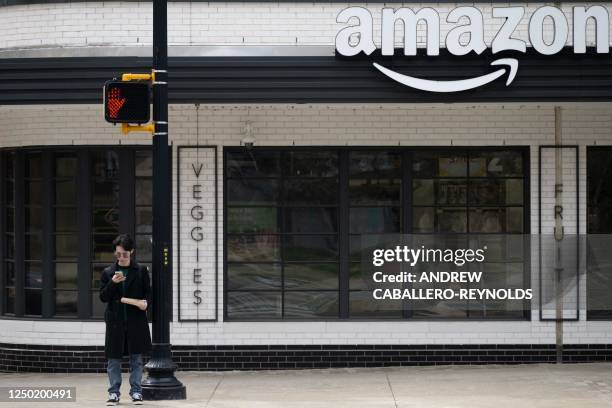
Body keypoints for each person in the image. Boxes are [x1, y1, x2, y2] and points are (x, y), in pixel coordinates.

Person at [99, 234, 152, 406]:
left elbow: (148, 294)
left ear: (132, 252)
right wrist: (113, 282)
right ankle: (114, 393)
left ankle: (136, 392)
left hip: (136, 320)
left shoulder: (141, 271)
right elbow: (103, 297)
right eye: (118, 254)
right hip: (115, 322)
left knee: (136, 358)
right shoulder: (108, 272)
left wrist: (146, 304)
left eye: (125, 254)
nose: (121, 258)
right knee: (113, 359)